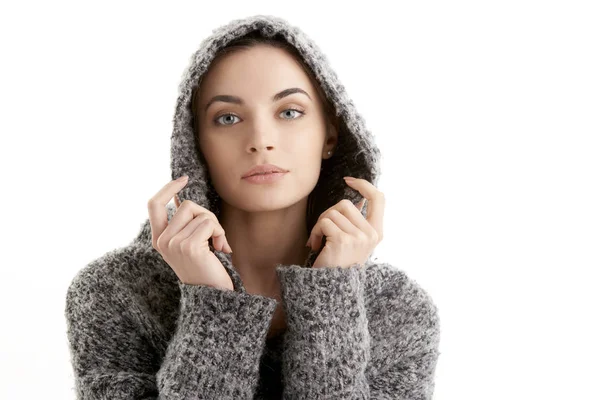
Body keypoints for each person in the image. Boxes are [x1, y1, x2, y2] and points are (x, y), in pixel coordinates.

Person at [64, 14, 441, 399]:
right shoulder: (116, 292)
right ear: (195, 144)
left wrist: (331, 296)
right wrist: (212, 303)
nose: (261, 140)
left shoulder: (398, 309)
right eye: (228, 118)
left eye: (289, 112)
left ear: (330, 133)